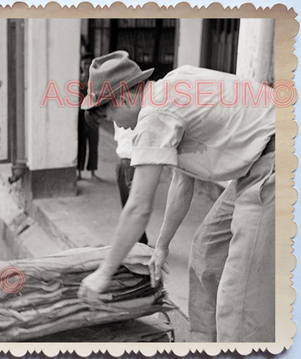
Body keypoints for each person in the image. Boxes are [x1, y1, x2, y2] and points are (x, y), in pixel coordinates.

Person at [77, 51, 275, 342]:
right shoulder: (172, 86)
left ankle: (238, 342)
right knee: (207, 249)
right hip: (255, 164)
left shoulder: (155, 114)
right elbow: (182, 184)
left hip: (277, 161)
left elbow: (138, 208)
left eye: (111, 117)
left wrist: (104, 272)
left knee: (240, 299)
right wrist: (162, 246)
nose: (118, 127)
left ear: (123, 97)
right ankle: (204, 343)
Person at [113, 124, 148, 244]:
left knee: (133, 206)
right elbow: (118, 138)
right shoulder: (116, 116)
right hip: (122, 160)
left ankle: (140, 241)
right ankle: (138, 240)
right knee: (126, 204)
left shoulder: (137, 116)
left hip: (133, 161)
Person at [77, 52, 100, 181]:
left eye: (89, 64)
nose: (86, 66)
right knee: (81, 144)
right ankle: (78, 173)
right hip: (80, 116)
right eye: (84, 63)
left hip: (93, 115)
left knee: (93, 143)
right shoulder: (77, 80)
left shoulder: (96, 80)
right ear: (81, 64)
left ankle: (92, 172)